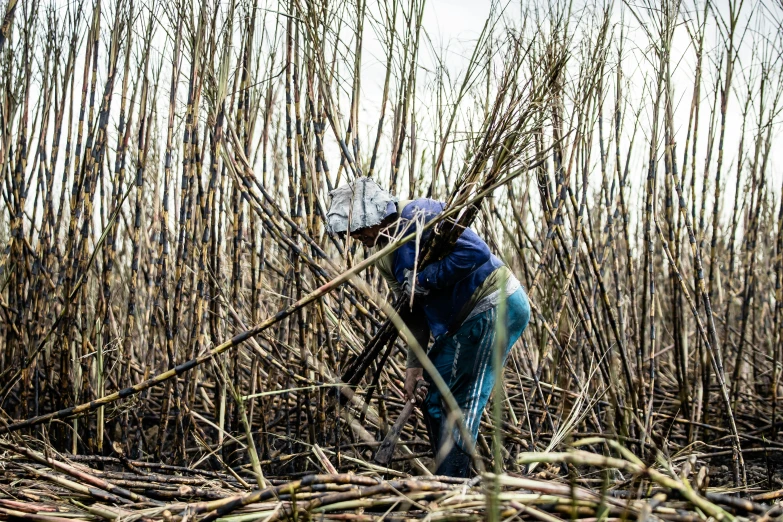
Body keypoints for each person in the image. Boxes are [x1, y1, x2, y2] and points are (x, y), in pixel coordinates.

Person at [326, 177, 530, 477]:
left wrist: (424, 279)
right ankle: (454, 479)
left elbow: (476, 253)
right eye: (349, 232)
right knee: (434, 399)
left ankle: (455, 486)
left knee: (457, 404)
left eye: (356, 228)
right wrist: (414, 367)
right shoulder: (384, 255)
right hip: (458, 324)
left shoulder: (419, 215)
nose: (354, 235)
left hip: (492, 306)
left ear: (373, 215)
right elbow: (412, 310)